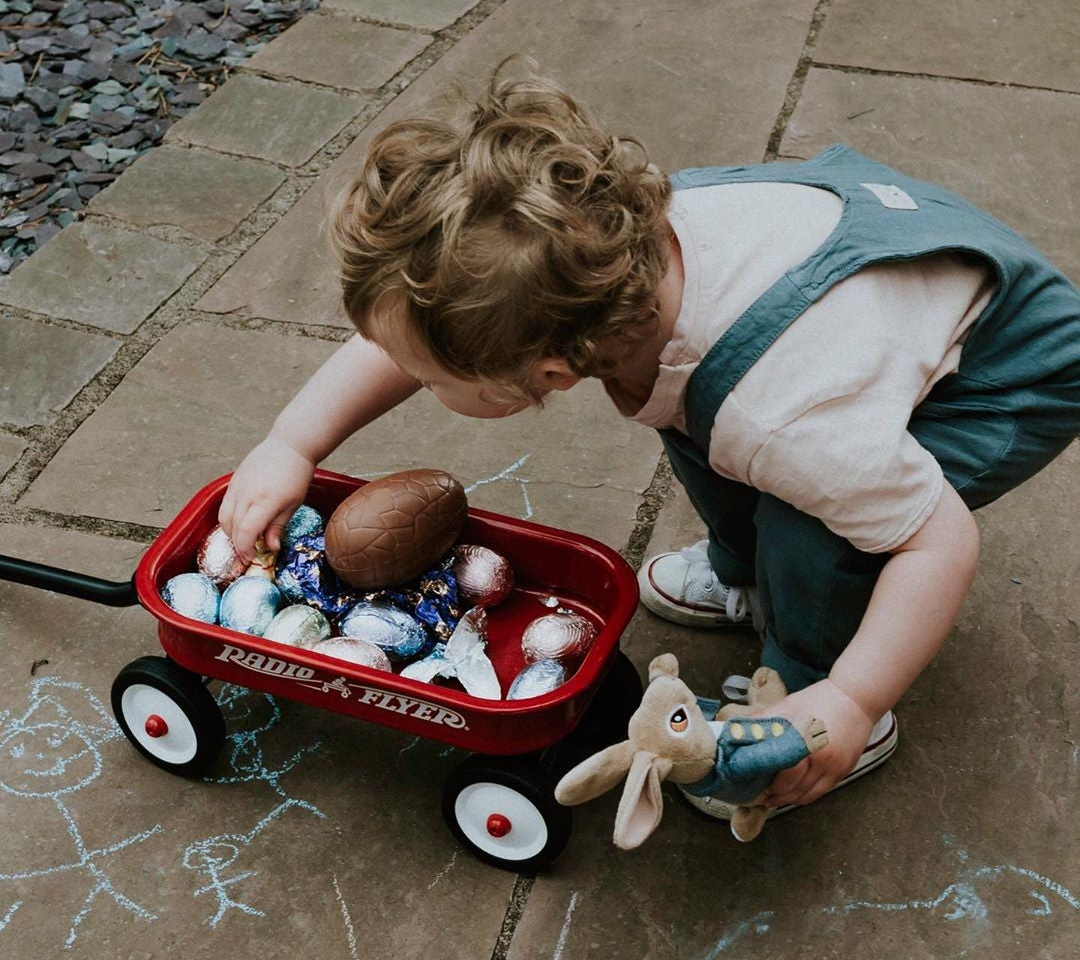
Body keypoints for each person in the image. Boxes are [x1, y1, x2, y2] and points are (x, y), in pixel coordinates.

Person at [219, 63, 1080, 823]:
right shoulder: (609, 263)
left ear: (551, 372)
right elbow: (410, 332)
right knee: (705, 418)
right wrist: (294, 440)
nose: (409, 376)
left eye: (428, 376)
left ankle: (814, 674)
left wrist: (852, 699)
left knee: (819, 523)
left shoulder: (783, 412)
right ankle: (749, 578)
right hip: (865, 295)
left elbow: (937, 538)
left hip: (1008, 370)